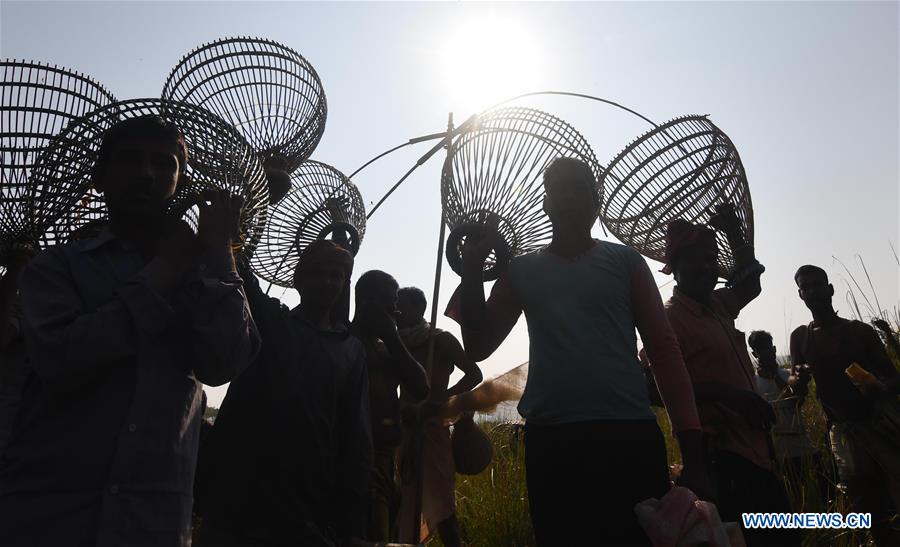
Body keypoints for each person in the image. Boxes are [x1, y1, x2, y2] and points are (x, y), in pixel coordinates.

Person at [0, 115, 260, 546]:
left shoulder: (205, 273)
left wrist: (219, 254)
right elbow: (62, 360)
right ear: (100, 178)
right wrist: (164, 271)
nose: (146, 173)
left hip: (152, 519)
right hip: (49, 516)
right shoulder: (57, 268)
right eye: (130, 161)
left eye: (163, 164)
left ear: (180, 179)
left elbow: (226, 361)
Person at [452, 157, 711, 546]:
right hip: (553, 442)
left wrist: (693, 449)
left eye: (580, 187)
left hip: (628, 435)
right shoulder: (521, 270)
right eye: (560, 187)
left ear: (596, 201)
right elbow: (478, 343)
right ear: (546, 203)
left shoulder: (625, 262)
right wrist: (471, 269)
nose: (570, 196)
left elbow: (664, 350)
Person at [196, 239, 372, 547]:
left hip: (308, 504)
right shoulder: (269, 322)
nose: (327, 282)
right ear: (298, 280)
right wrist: (235, 234)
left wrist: (353, 526)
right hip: (238, 499)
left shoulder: (351, 351)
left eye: (336, 275)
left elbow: (355, 438)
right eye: (317, 273)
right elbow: (242, 275)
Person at [663, 207, 798, 546]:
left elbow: (750, 282)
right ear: (675, 268)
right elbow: (654, 388)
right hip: (719, 459)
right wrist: (727, 394)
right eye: (694, 260)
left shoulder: (719, 305)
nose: (705, 267)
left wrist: (735, 233)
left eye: (711, 259)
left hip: (757, 451)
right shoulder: (668, 320)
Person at [790, 265, 900, 546]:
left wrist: (880, 387)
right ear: (800, 295)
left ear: (830, 290)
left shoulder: (859, 332)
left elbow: (894, 377)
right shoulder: (801, 338)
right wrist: (798, 382)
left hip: (879, 425)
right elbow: (797, 393)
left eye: (818, 285)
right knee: (865, 505)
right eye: (807, 287)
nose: (813, 291)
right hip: (841, 433)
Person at [395, 286, 482, 546]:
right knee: (406, 501)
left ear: (417, 309)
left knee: (442, 502)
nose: (396, 311)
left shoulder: (440, 339)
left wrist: (441, 398)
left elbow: (474, 374)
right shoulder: (394, 342)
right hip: (406, 428)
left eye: (401, 306)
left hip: (433, 428)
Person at [352, 270, 429, 543]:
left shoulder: (388, 347)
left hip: (386, 462)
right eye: (389, 302)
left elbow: (422, 389)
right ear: (368, 304)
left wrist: (392, 336)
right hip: (360, 464)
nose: (395, 310)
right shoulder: (348, 344)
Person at [746, 330, 817, 492]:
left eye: (768, 348)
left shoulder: (788, 376)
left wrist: (775, 376)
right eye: (761, 350)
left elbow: (797, 401)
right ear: (755, 354)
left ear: (775, 349)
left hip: (802, 446)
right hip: (776, 453)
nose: (766, 353)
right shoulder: (753, 384)